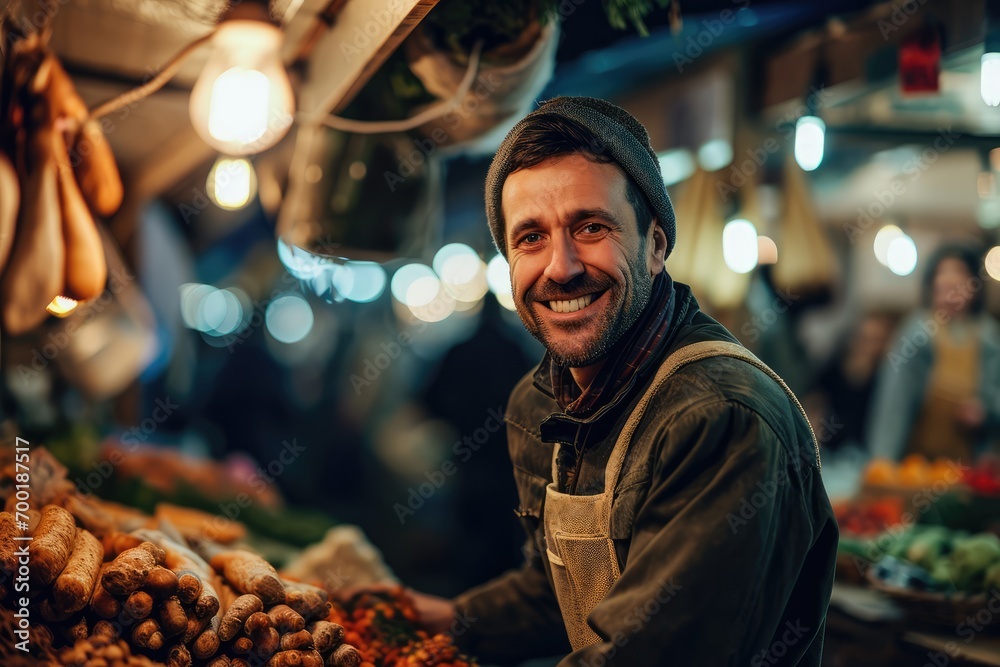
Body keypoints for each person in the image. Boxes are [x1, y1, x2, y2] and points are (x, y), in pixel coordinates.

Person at [402, 97, 838, 665]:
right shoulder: (538, 405)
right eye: (530, 237)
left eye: (590, 226)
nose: (561, 267)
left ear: (655, 244)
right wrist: (450, 623)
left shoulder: (720, 418)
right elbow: (562, 591)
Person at [867, 244, 1000, 463]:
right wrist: (882, 460)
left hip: (969, 464)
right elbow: (894, 401)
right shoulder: (916, 332)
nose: (950, 285)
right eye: (943, 278)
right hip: (915, 462)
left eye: (959, 277)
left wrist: (984, 412)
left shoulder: (989, 338)